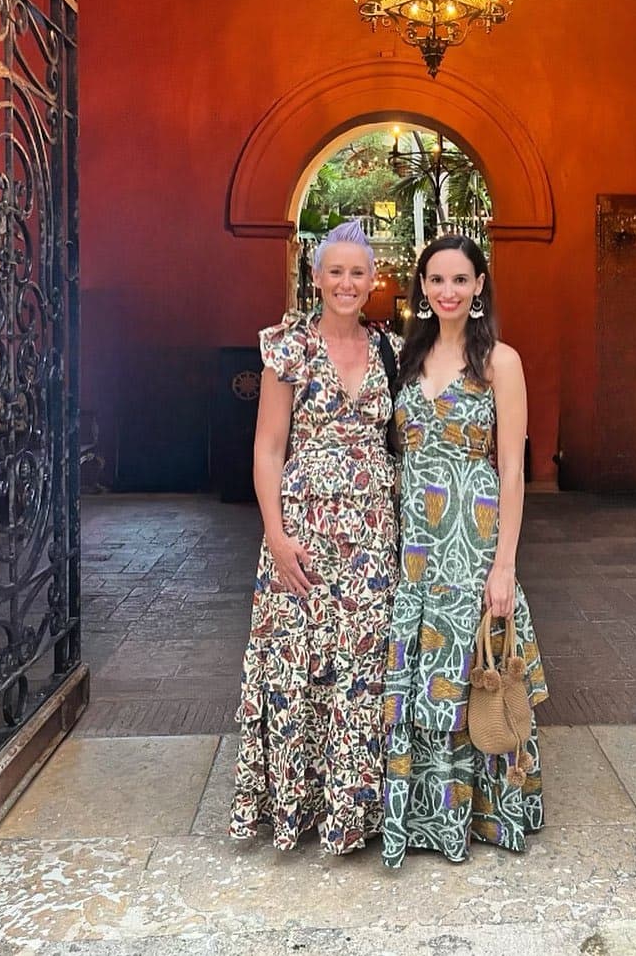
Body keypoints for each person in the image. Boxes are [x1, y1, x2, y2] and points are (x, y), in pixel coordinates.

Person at [230, 220, 400, 854]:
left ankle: (354, 815)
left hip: (373, 540)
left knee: (361, 672)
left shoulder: (389, 349)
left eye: (358, 272)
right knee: (298, 665)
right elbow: (268, 447)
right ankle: (295, 810)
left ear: (373, 279)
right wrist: (274, 532)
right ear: (316, 276)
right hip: (303, 537)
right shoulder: (289, 348)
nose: (347, 283)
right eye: (336, 271)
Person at [381, 234, 547, 868]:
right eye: (435, 279)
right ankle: (419, 816)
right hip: (414, 544)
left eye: (459, 279)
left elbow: (512, 470)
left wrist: (503, 564)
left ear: (480, 286)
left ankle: (482, 815)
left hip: (471, 542)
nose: (446, 291)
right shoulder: (406, 355)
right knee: (419, 678)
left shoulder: (501, 362)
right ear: (422, 287)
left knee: (474, 670)